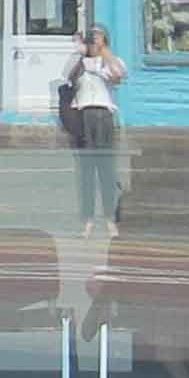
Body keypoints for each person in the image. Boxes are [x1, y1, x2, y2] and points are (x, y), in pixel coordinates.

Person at [57, 25, 126, 231]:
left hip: (104, 115)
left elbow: (118, 74)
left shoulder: (110, 61)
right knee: (86, 171)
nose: (94, 41)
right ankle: (87, 220)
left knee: (106, 169)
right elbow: (67, 75)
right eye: (91, 37)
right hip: (83, 116)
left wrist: (103, 52)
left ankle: (110, 219)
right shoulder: (80, 63)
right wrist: (80, 51)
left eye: (98, 37)